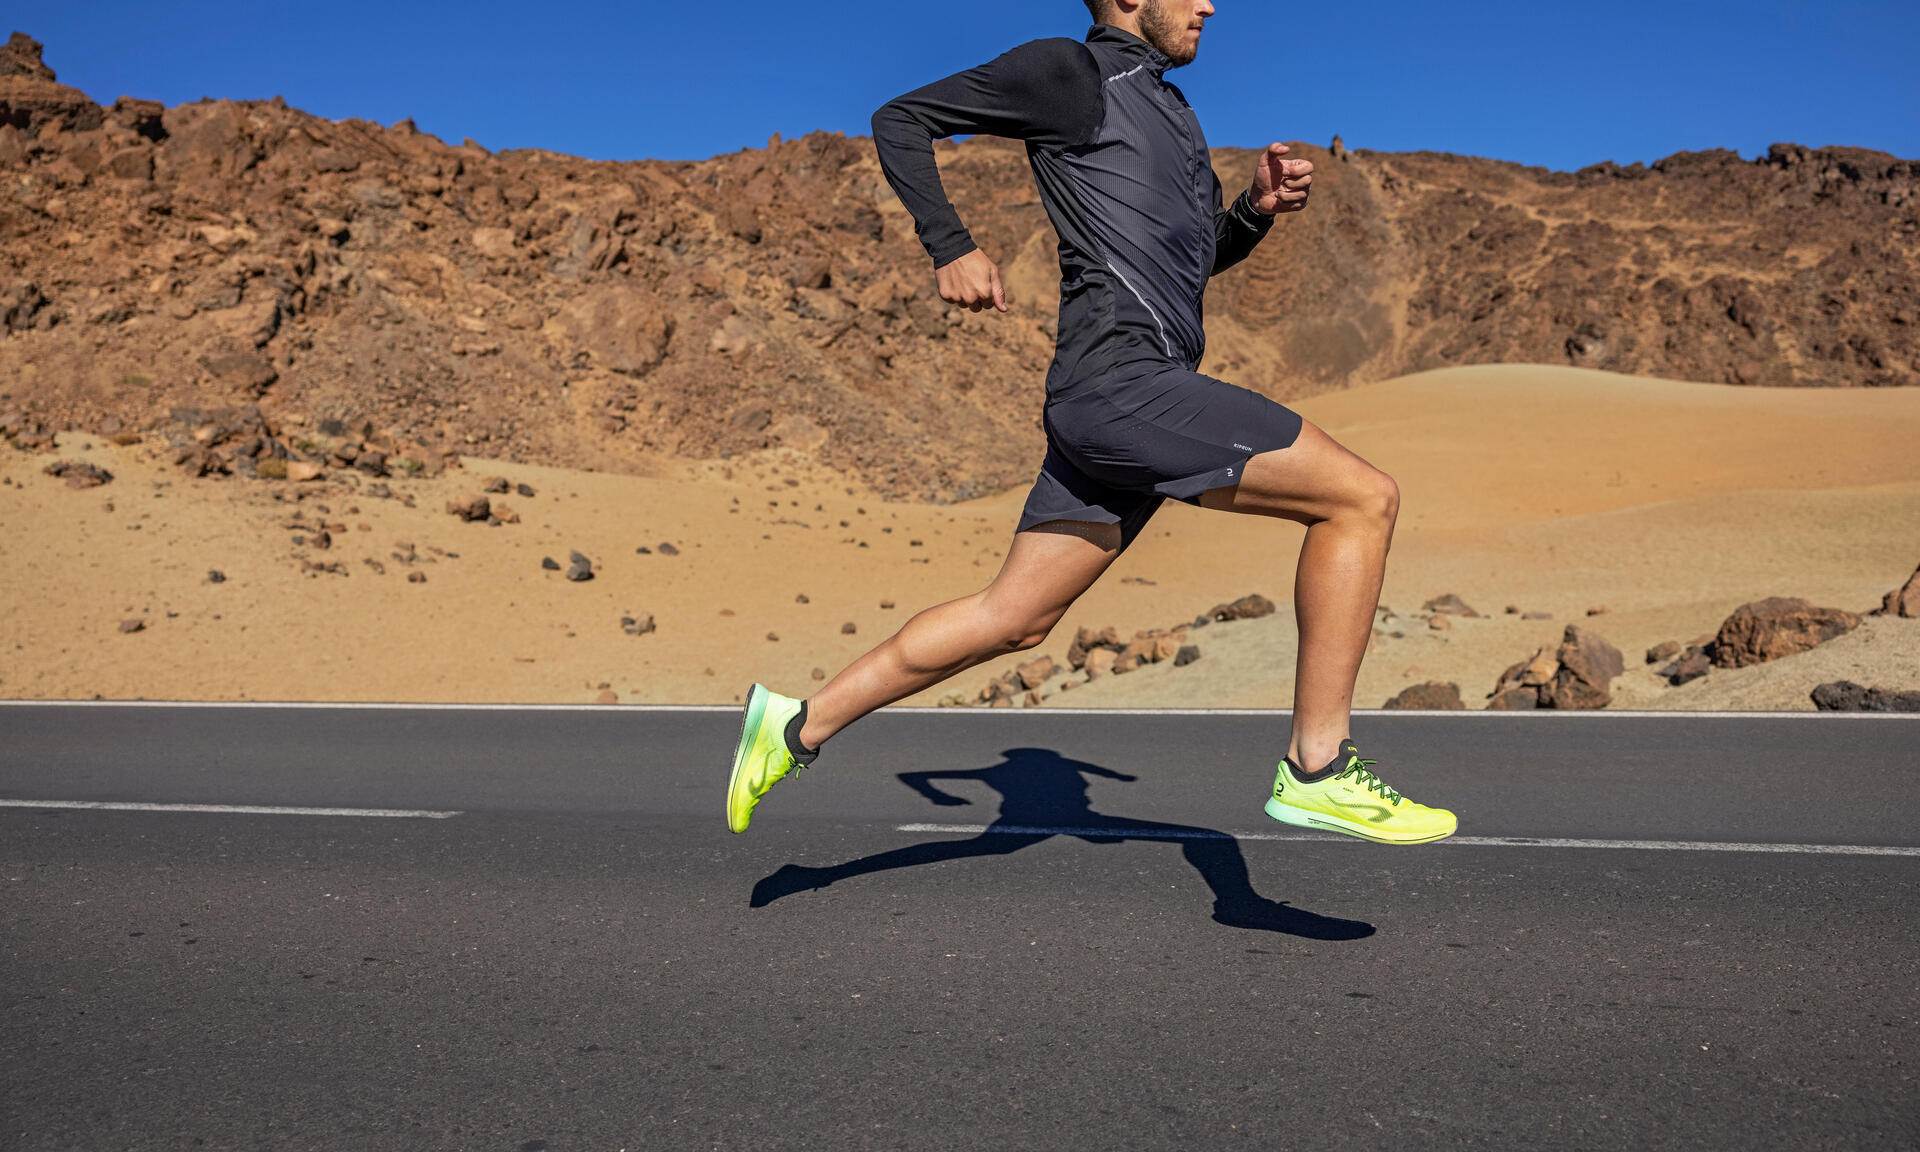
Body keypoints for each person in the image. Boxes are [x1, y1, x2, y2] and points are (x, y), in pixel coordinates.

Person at [726, 0, 1457, 845]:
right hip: (1122, 385)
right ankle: (1319, 766)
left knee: (1016, 618)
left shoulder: (1169, 107)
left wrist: (1253, 211)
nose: (1209, 5)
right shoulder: (1070, 73)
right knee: (1360, 500)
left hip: (1118, 393)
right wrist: (949, 244)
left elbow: (1189, 260)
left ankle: (792, 727)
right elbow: (902, 119)